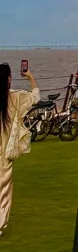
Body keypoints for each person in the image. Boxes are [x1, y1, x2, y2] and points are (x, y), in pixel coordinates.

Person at [0, 63, 39, 237]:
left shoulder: (14, 97)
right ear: (9, 79)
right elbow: (35, 98)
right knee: (4, 189)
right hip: (6, 151)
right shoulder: (16, 97)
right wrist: (30, 77)